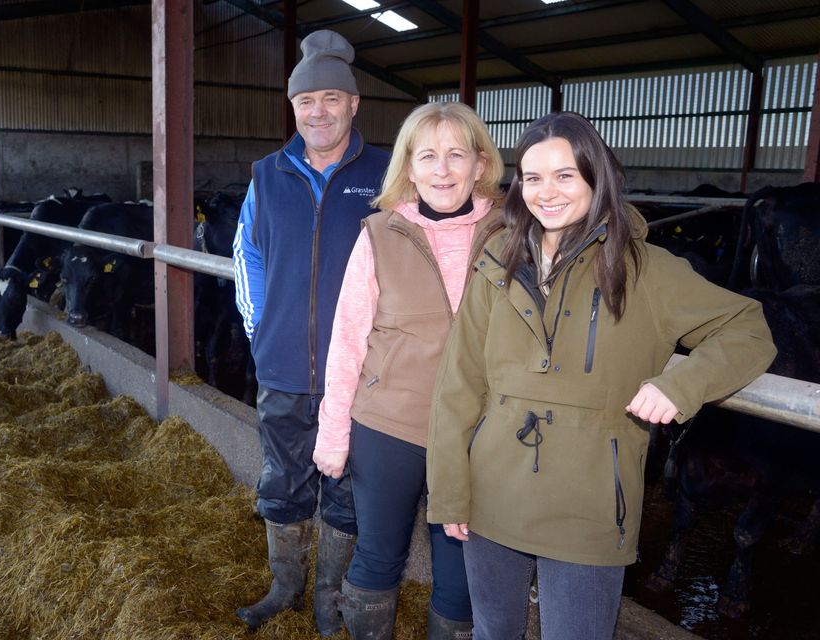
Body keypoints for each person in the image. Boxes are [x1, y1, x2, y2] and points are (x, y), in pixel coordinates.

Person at [426, 111, 777, 640]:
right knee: (492, 632)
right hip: (492, 493)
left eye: (566, 175)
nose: (547, 192)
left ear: (597, 177)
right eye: (533, 177)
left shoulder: (645, 270)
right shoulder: (496, 261)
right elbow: (459, 384)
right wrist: (450, 491)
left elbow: (748, 329)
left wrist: (680, 385)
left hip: (589, 504)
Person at [312, 101, 505, 640]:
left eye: (455, 155)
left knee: (460, 573)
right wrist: (334, 434)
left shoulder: (514, 236)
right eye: (428, 157)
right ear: (409, 168)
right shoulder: (379, 234)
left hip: (476, 434)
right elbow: (347, 340)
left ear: (480, 165)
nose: (442, 170)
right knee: (378, 555)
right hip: (388, 425)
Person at [232, 29, 390, 636]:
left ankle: (331, 598)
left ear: (353, 104)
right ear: (292, 107)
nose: (317, 111)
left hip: (361, 373)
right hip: (283, 369)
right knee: (281, 481)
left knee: (347, 488)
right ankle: (283, 587)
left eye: (330, 98)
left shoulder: (386, 176)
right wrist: (263, 329)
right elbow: (247, 254)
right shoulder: (267, 175)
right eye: (305, 101)